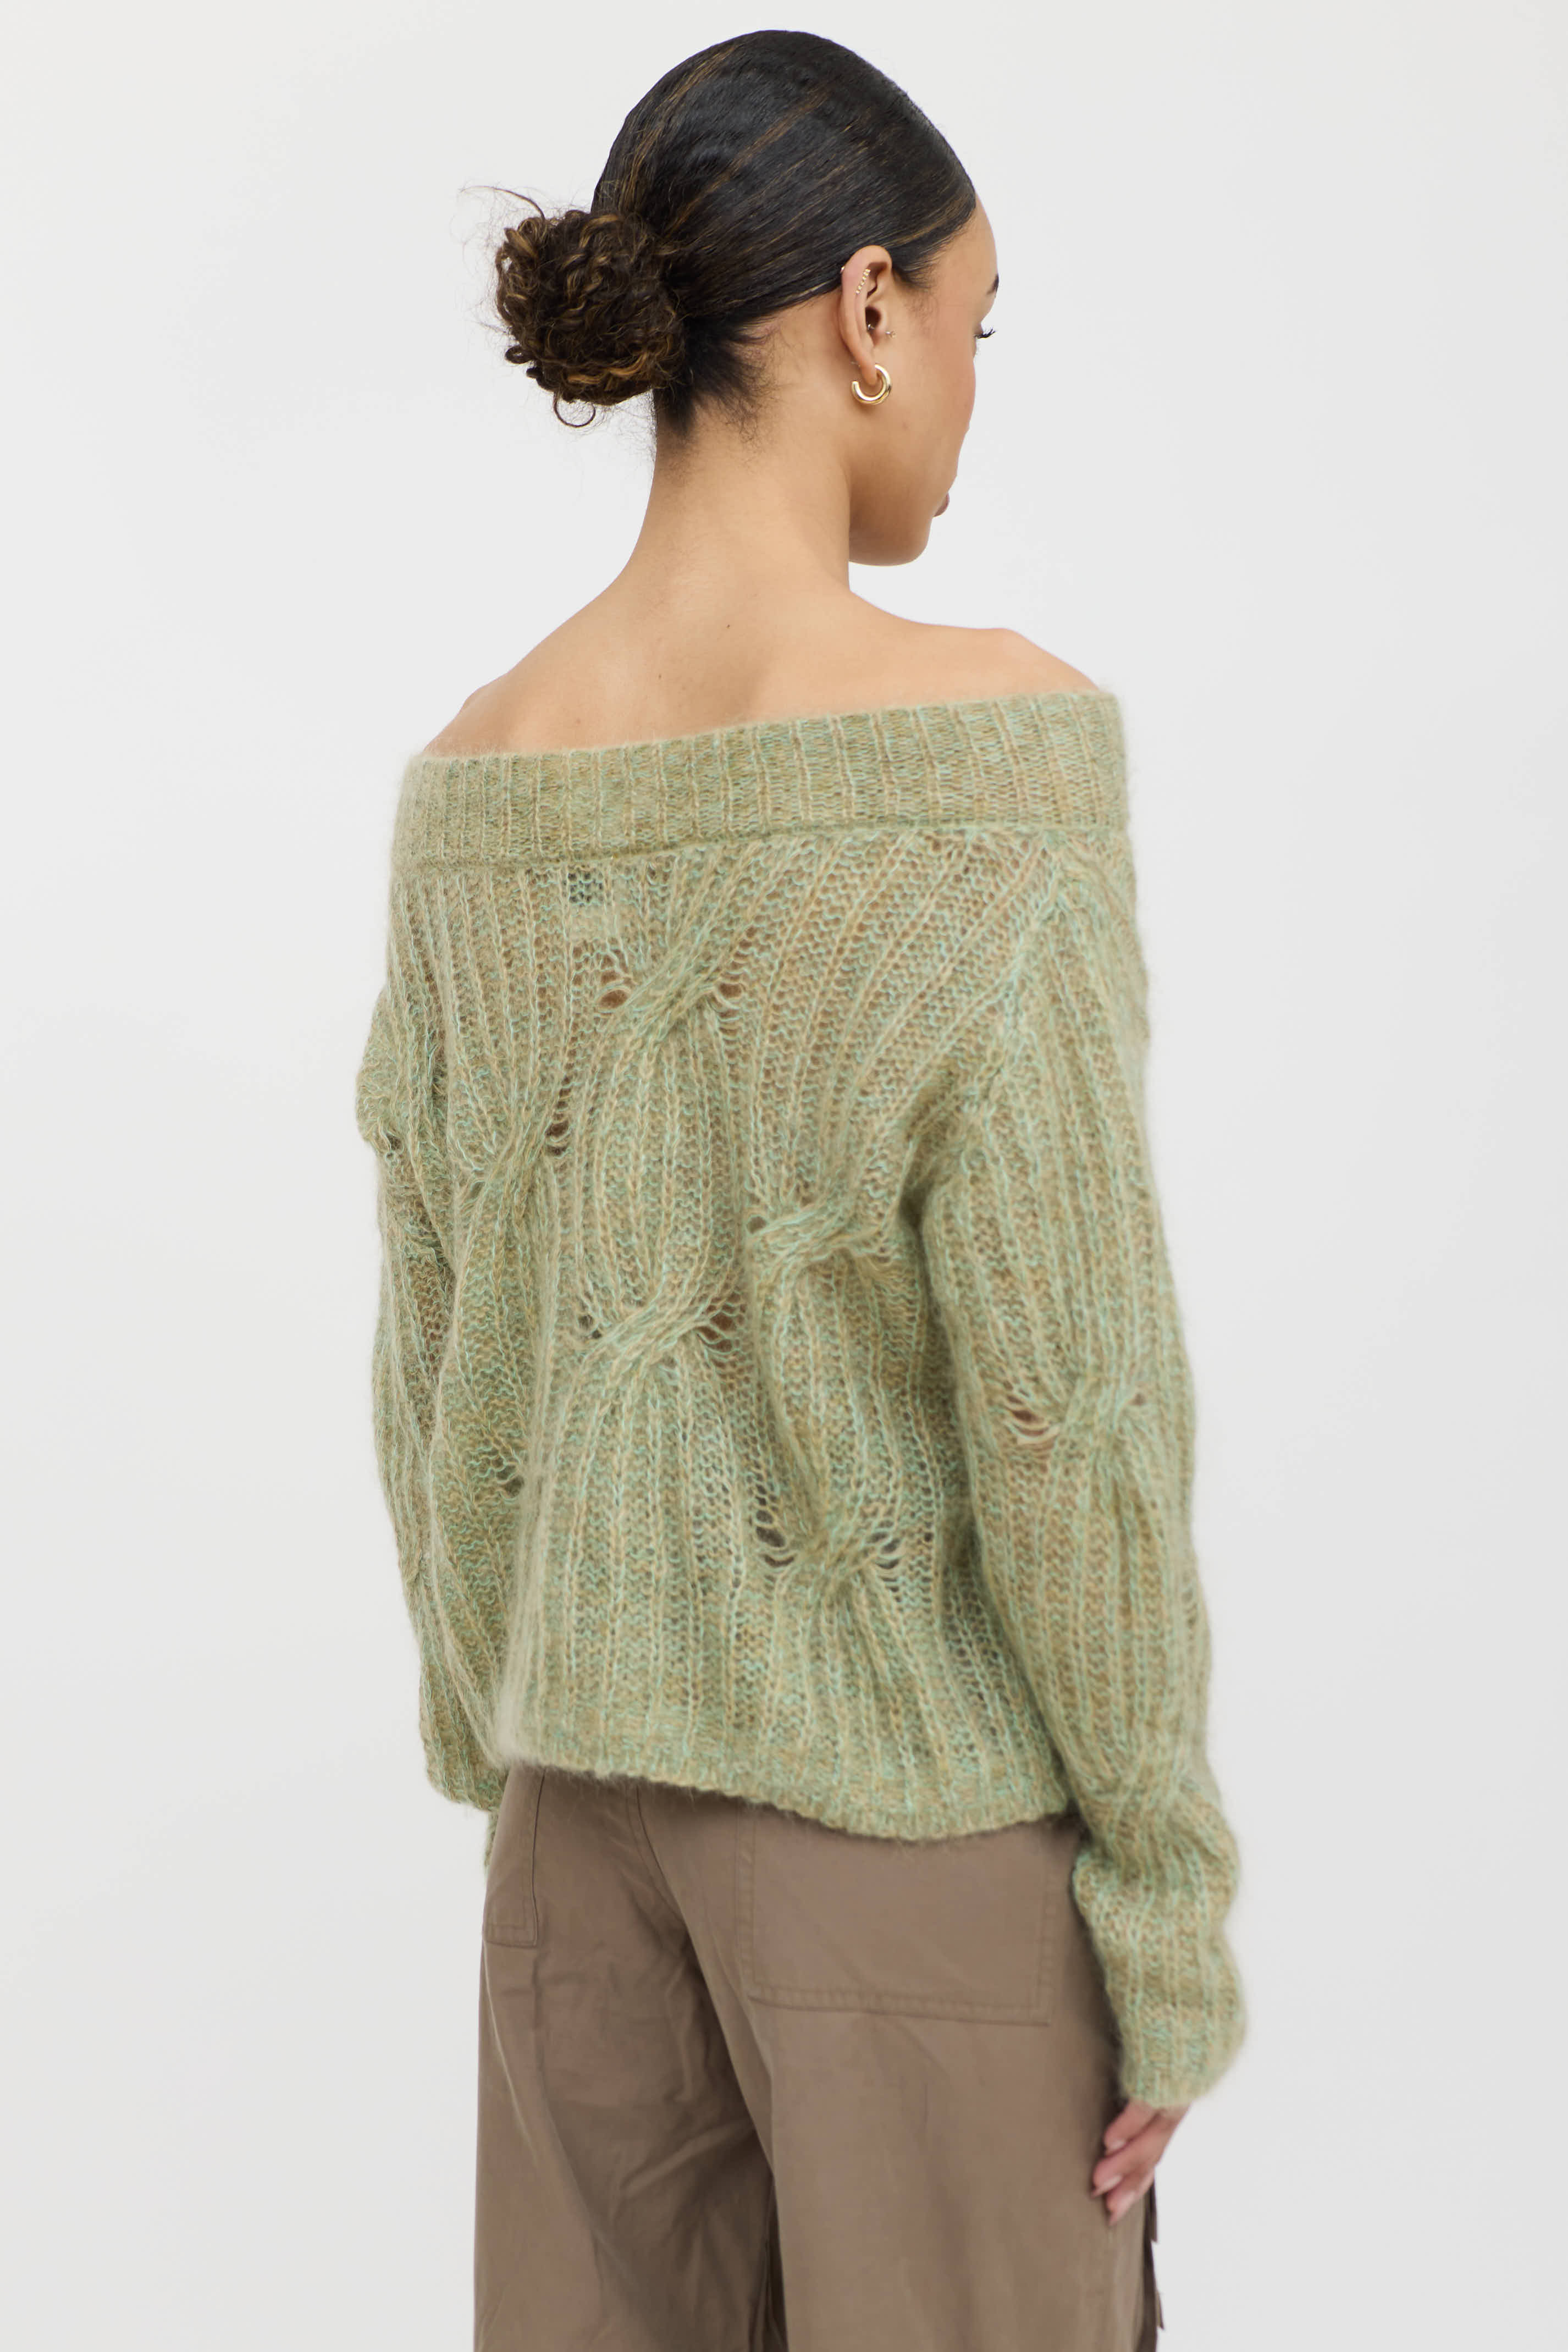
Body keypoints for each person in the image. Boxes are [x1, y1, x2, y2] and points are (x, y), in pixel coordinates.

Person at [354, 29, 1246, 2352]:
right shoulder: (988, 759)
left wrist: (502, 1725)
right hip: (908, 1861)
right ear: (866, 309)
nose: (965, 390)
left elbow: (433, 1350)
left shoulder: (471, 784)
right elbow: (1065, 1403)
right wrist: (1160, 1905)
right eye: (972, 324)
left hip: (571, 1852)